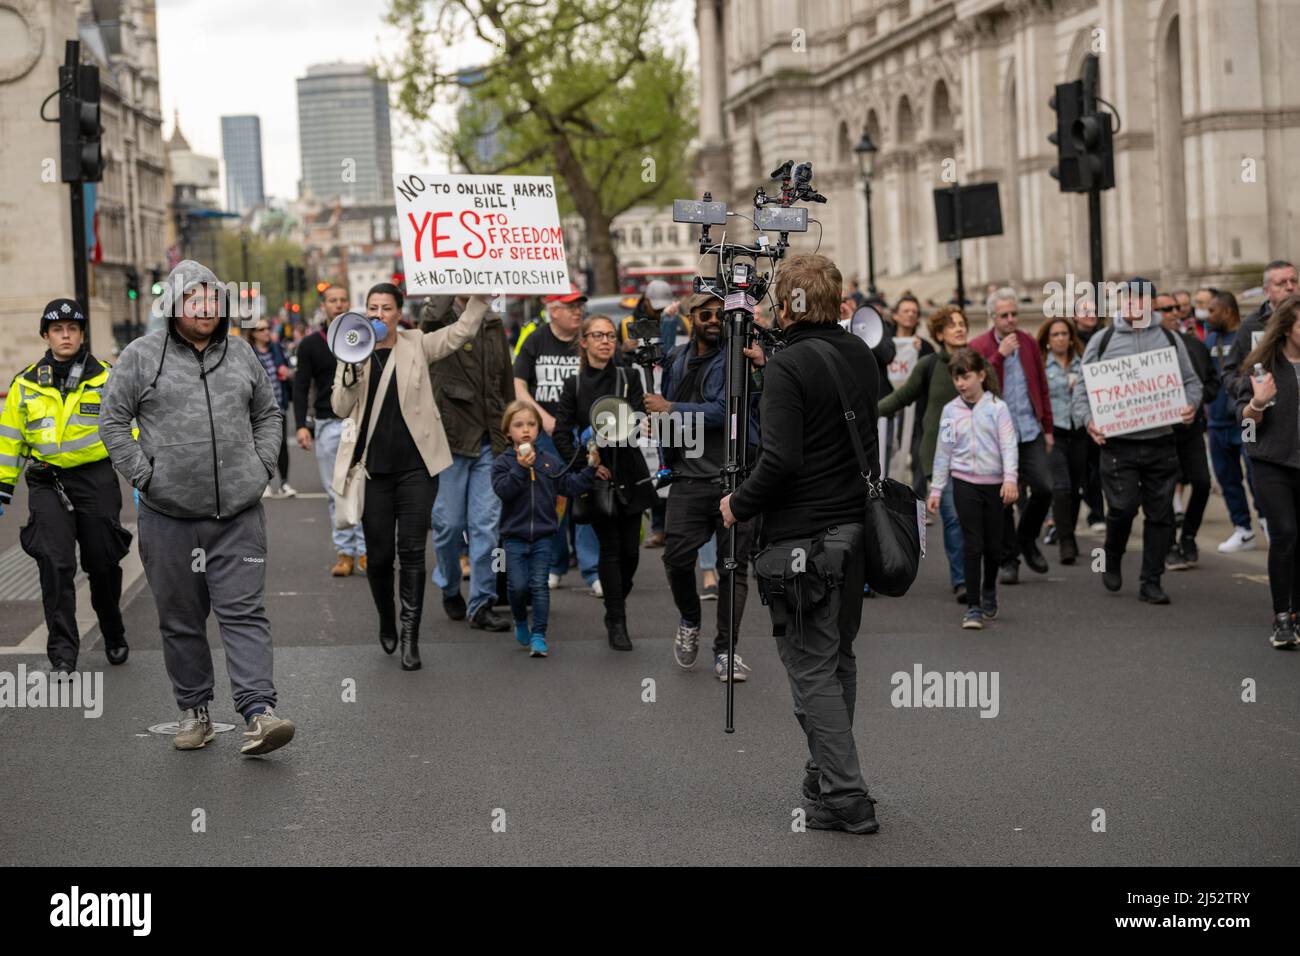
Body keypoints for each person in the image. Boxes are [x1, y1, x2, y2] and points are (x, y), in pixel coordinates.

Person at [100, 260, 294, 755]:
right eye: (193, 299)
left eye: (212, 299)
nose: (205, 307)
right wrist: (148, 478)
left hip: (238, 517)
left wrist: (261, 465)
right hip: (169, 518)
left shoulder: (243, 355)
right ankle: (195, 710)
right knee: (181, 619)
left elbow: (268, 413)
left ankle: (258, 713)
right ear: (173, 306)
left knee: (244, 613)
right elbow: (112, 424)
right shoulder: (141, 357)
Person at [722, 253, 881, 836]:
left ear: (787, 304)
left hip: (803, 542)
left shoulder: (790, 368)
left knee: (810, 668)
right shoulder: (860, 354)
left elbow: (782, 459)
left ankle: (846, 795)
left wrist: (737, 503)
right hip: (854, 531)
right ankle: (824, 776)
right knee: (837, 658)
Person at [331, 285, 489, 671]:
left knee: (413, 552)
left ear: (399, 313)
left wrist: (480, 297)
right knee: (381, 557)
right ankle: (387, 618)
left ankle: (410, 635)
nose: (379, 314)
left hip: (417, 467)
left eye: (387, 308)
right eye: (373, 308)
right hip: (373, 470)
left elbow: (461, 332)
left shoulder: (417, 343)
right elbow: (339, 407)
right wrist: (352, 368)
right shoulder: (352, 349)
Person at [0, 298, 131, 672]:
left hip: (95, 479)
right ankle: (62, 653)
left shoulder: (107, 377)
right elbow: (10, 438)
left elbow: (128, 425)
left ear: (82, 333)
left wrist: (143, 474)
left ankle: (113, 628)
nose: (66, 335)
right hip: (47, 480)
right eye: (58, 329)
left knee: (103, 562)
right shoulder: (25, 383)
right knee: (55, 564)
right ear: (46, 335)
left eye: (72, 328)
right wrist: (2, 484)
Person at [1070, 278, 1202, 604]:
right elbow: (1083, 392)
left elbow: (1192, 383)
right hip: (1118, 445)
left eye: (1141, 300)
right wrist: (1089, 421)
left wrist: (1190, 406)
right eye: (1128, 300)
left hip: (1161, 442)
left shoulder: (1171, 339)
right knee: (1123, 507)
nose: (1134, 306)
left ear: (1153, 304)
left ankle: (1151, 580)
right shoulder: (1103, 340)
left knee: (1161, 516)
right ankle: (1112, 554)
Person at [650, 290, 759, 681]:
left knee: (733, 569)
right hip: (688, 480)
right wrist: (661, 426)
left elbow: (722, 410)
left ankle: (726, 650)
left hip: (733, 480)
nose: (713, 320)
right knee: (676, 558)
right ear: (691, 318)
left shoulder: (736, 358)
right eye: (705, 314)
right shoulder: (677, 359)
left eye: (720, 314)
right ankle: (690, 619)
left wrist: (670, 409)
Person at [879, 305, 996, 601]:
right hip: (941, 456)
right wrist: (866, 413)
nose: (959, 328)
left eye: (962, 324)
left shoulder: (981, 364)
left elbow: (998, 406)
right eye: (951, 325)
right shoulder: (929, 365)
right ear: (939, 333)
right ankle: (962, 581)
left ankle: (979, 574)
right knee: (954, 517)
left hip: (979, 456)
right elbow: (902, 397)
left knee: (979, 521)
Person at [554, 314, 657, 651]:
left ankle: (615, 598)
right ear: (583, 342)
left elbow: (641, 420)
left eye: (610, 335)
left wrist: (648, 420)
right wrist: (586, 462)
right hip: (598, 476)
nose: (605, 341)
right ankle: (617, 619)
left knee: (631, 554)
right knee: (610, 549)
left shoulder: (629, 377)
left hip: (629, 469)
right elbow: (560, 432)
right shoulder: (575, 384)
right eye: (597, 335)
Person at [420, 295, 516, 633]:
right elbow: (430, 320)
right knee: (447, 525)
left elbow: (506, 383)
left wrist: (513, 431)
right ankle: (448, 584)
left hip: (490, 439)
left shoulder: (494, 323)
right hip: (450, 440)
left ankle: (482, 602)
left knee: (487, 530)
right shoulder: (437, 318)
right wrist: (449, 278)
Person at [513, 284, 601, 593]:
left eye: (580, 305)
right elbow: (519, 385)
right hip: (548, 436)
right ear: (554, 310)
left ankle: (592, 570)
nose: (578, 311)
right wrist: (542, 419)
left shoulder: (586, 342)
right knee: (553, 504)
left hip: (582, 432)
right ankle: (555, 564)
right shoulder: (536, 340)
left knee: (587, 498)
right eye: (570, 306)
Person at [491, 401, 596, 657]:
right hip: (513, 538)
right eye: (518, 425)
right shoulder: (502, 463)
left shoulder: (548, 462)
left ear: (538, 429)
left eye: (531, 424)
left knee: (538, 585)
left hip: (543, 536)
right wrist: (520, 467)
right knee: (516, 587)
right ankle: (519, 619)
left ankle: (539, 634)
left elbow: (569, 486)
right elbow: (503, 490)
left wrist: (591, 469)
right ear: (508, 433)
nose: (525, 429)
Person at [928, 347, 1019, 629]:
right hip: (964, 483)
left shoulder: (997, 408)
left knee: (993, 548)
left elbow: (1008, 444)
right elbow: (944, 450)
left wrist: (1010, 478)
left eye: (966, 377)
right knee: (972, 544)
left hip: (994, 485)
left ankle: (989, 588)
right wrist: (936, 488)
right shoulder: (950, 411)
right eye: (957, 378)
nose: (961, 384)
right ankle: (974, 606)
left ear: (981, 375)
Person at [970, 288, 1054, 583]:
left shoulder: (1029, 343)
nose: (1010, 320)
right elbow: (974, 386)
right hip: (997, 435)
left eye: (1014, 314)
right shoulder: (980, 346)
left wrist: (1048, 429)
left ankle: (1026, 539)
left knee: (1044, 487)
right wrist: (999, 356)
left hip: (1030, 429)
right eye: (1004, 315)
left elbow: (1042, 386)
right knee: (1004, 499)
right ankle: (1009, 560)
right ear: (993, 317)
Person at [1235, 295, 1300, 648]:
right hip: (1272, 462)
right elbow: (1244, 425)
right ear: (1288, 327)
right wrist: (1257, 404)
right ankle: (1282, 617)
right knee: (1286, 534)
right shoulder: (1263, 365)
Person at [292, 284, 366, 576]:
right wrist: (300, 425)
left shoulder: (363, 338)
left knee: (360, 489)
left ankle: (365, 551)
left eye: (343, 300)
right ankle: (344, 552)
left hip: (358, 422)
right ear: (323, 307)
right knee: (336, 492)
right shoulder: (310, 344)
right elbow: (300, 387)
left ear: (350, 303)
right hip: (326, 423)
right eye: (332, 301)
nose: (338, 305)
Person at [1156, 291, 1218, 569]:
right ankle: (1169, 544)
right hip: (1160, 432)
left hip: (1190, 428)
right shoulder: (1146, 349)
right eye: (1165, 308)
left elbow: (1213, 383)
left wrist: (1196, 401)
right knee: (1165, 489)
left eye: (1176, 308)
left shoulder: (1194, 346)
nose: (1172, 313)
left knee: (1202, 483)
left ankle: (1189, 535)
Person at [1205, 290, 1262, 553]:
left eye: (1212, 310)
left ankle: (1266, 520)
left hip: (1245, 420)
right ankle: (1243, 529)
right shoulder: (1209, 341)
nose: (1208, 316)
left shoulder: (1248, 337)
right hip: (1217, 421)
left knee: (1256, 474)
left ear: (1227, 311)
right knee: (1227, 477)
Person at [1036, 317, 1088, 565]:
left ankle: (1069, 532)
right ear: (1047, 340)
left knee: (1076, 488)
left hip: (1078, 430)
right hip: (1053, 431)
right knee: (1061, 486)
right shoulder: (1042, 367)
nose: (1060, 338)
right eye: (1055, 334)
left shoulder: (1083, 362)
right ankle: (1066, 541)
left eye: (1064, 334)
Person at [1223, 260, 1299, 397]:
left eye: (1294, 281)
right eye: (1281, 283)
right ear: (1266, 291)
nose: (1290, 287)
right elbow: (1231, 373)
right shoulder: (1251, 325)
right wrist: (1250, 390)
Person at [248, 318, 295, 498]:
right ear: (253, 333)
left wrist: (287, 373)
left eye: (267, 328)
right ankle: (264, 484)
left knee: (282, 445)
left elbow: (290, 371)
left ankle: (284, 483)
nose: (266, 332)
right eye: (261, 329)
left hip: (278, 406)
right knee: (260, 446)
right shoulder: (249, 353)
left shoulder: (277, 350)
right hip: (257, 409)